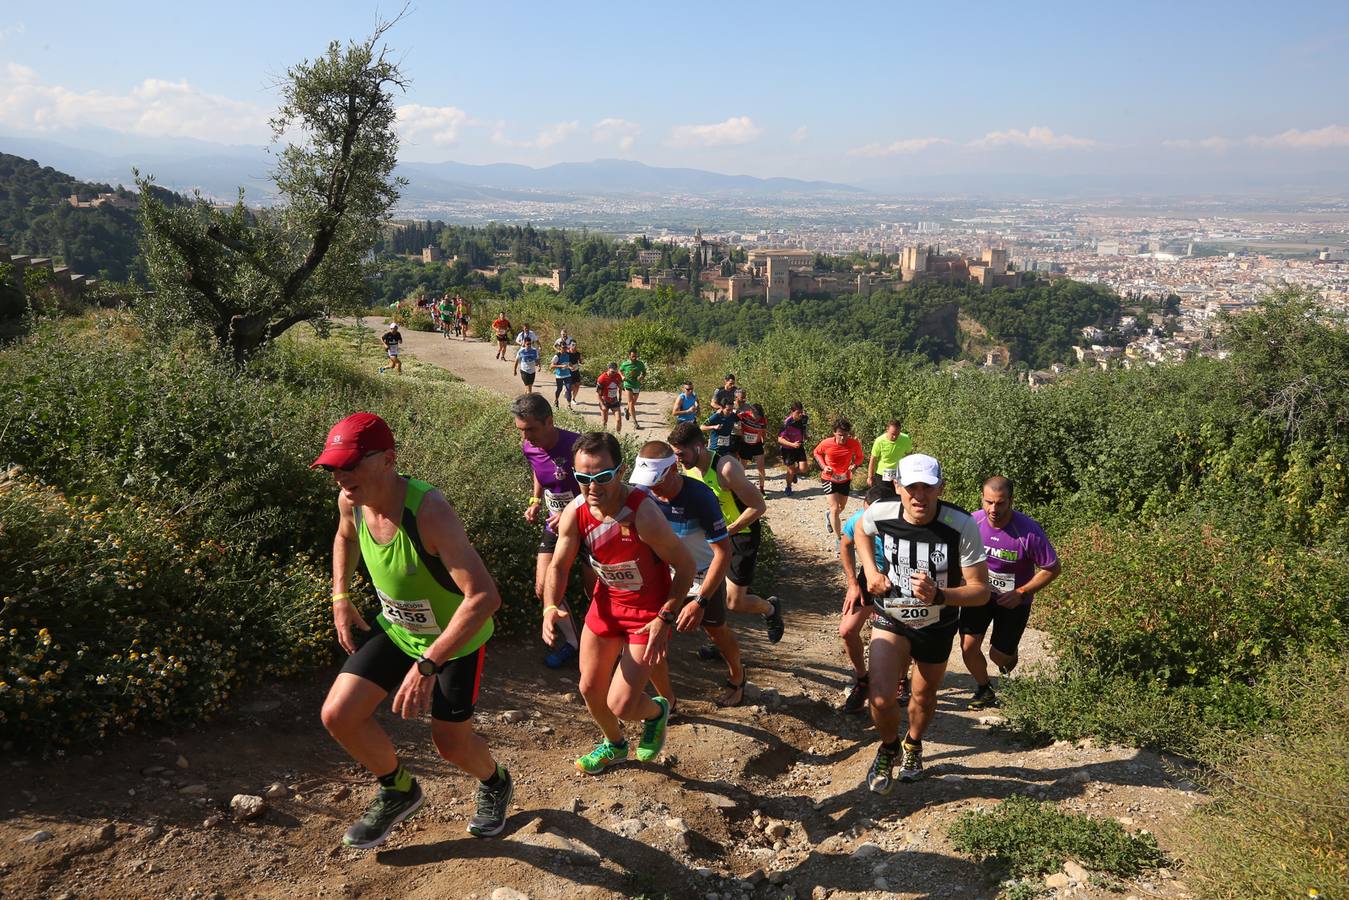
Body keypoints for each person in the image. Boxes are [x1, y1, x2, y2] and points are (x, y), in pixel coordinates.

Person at [313, 413, 512, 848]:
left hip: (455, 640)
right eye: (334, 467)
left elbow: (484, 597)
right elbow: (345, 537)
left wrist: (428, 664)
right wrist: (340, 596)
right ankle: (398, 789)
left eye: (351, 465)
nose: (341, 477)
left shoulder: (429, 512)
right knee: (338, 715)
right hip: (398, 628)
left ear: (388, 460)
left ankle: (495, 781)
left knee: (451, 746)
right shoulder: (351, 500)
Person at [542, 432, 695, 774]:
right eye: (583, 478)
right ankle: (615, 745)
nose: (592, 486)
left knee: (622, 704)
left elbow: (685, 566)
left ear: (621, 471)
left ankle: (656, 712)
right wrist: (550, 607)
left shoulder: (643, 514)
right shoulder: (576, 511)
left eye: (602, 476)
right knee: (589, 688)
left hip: (647, 613)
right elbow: (559, 566)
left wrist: (665, 618)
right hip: (607, 605)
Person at [857, 453, 989, 793]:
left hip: (937, 623)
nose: (919, 496)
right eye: (911, 487)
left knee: (924, 695)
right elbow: (860, 530)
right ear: (897, 486)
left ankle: (913, 745)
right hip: (892, 614)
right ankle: (889, 748)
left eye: (928, 487)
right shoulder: (882, 511)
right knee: (881, 697)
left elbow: (980, 591)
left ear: (941, 488)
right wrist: (870, 571)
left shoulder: (961, 525)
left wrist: (940, 595)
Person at [632, 442, 749, 708]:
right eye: (647, 481)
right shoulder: (642, 491)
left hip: (701, 574)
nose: (652, 488)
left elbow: (723, 553)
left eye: (657, 480)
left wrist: (701, 601)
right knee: (650, 634)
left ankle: (737, 676)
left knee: (715, 630)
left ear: (674, 469)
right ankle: (667, 702)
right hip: (662, 572)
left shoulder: (700, 496)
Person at [668, 422, 785, 653]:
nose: (678, 460)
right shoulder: (689, 468)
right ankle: (720, 644)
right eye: (675, 454)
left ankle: (770, 609)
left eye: (681, 454)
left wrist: (726, 531)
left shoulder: (725, 468)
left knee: (734, 602)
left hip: (740, 534)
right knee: (708, 593)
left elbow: (758, 506)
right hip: (711, 536)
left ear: (699, 447)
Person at [960, 475, 1060, 709]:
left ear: (1011, 500)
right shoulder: (972, 523)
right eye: (988, 502)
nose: (993, 509)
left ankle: (1009, 653)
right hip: (980, 595)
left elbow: (1052, 568)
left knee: (999, 658)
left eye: (1000, 503)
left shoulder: (1028, 531)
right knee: (968, 647)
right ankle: (984, 689)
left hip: (1014, 601)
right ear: (982, 499)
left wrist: (1021, 592)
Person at [513, 394, 589, 668]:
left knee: (595, 590)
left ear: (549, 421)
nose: (526, 436)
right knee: (544, 587)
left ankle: (605, 642)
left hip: (587, 523)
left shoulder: (577, 446)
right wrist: (535, 500)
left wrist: (570, 512)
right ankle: (574, 644)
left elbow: (597, 488)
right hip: (555, 524)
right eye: (521, 430)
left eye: (531, 429)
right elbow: (538, 470)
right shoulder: (529, 446)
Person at [838, 482, 889, 713]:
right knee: (847, 630)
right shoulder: (858, 519)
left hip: (899, 580)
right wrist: (852, 584)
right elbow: (845, 545)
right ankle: (863, 680)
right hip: (869, 576)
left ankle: (900, 680)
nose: (870, 519)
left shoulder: (902, 521)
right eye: (867, 512)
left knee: (904, 632)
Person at [813, 418, 864, 539]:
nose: (843, 438)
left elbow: (860, 457)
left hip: (845, 479)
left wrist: (855, 465)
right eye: (840, 434)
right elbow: (816, 453)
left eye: (846, 435)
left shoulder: (854, 443)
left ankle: (829, 515)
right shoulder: (826, 443)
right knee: (835, 508)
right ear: (834, 433)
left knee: (841, 507)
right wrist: (824, 467)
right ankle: (838, 539)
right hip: (829, 478)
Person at [867, 420, 914, 498]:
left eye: (897, 434)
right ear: (887, 430)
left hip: (898, 475)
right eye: (892, 434)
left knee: (898, 498)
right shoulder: (879, 441)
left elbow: (909, 457)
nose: (895, 437)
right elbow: (873, 459)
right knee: (882, 498)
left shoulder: (905, 439)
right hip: (882, 475)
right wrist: (870, 477)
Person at [735, 396, 768, 494]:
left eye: (759, 416)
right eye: (756, 416)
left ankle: (762, 489)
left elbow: (763, 431)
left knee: (761, 467)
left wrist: (763, 441)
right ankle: (739, 487)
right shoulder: (743, 415)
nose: (758, 418)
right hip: (745, 444)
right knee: (742, 467)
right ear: (751, 411)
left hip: (757, 444)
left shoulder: (763, 420)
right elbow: (732, 417)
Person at [777, 403, 811, 495]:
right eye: (798, 412)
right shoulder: (786, 423)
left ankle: (793, 474)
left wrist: (806, 436)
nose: (800, 414)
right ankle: (788, 487)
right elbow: (780, 439)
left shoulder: (804, 418)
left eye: (801, 412)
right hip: (787, 449)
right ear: (792, 412)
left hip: (799, 446)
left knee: (804, 469)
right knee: (791, 470)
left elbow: (803, 429)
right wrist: (792, 444)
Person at [619, 348, 646, 426]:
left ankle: (627, 410)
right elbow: (620, 371)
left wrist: (641, 377)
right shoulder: (625, 364)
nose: (634, 358)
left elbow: (644, 372)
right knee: (630, 402)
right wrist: (622, 376)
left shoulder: (640, 364)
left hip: (636, 385)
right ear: (629, 356)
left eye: (636, 356)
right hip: (628, 384)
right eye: (633, 356)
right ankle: (635, 421)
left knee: (633, 403)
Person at [596, 362, 626, 433]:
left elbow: (620, 387)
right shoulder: (602, 378)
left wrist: (620, 398)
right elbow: (598, 393)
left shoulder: (617, 376)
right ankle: (603, 437)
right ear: (608, 369)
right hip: (604, 401)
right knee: (604, 421)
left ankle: (618, 436)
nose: (614, 373)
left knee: (618, 420)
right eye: (612, 372)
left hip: (614, 401)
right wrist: (602, 405)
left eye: (615, 372)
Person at [551, 345, 577, 410]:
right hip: (559, 375)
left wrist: (571, 366)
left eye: (566, 347)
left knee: (569, 389)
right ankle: (556, 400)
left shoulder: (567, 355)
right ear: (560, 348)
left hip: (567, 375)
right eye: (563, 348)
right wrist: (561, 366)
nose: (565, 349)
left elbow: (569, 362)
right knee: (559, 389)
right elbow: (551, 366)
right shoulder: (557, 356)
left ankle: (569, 406)